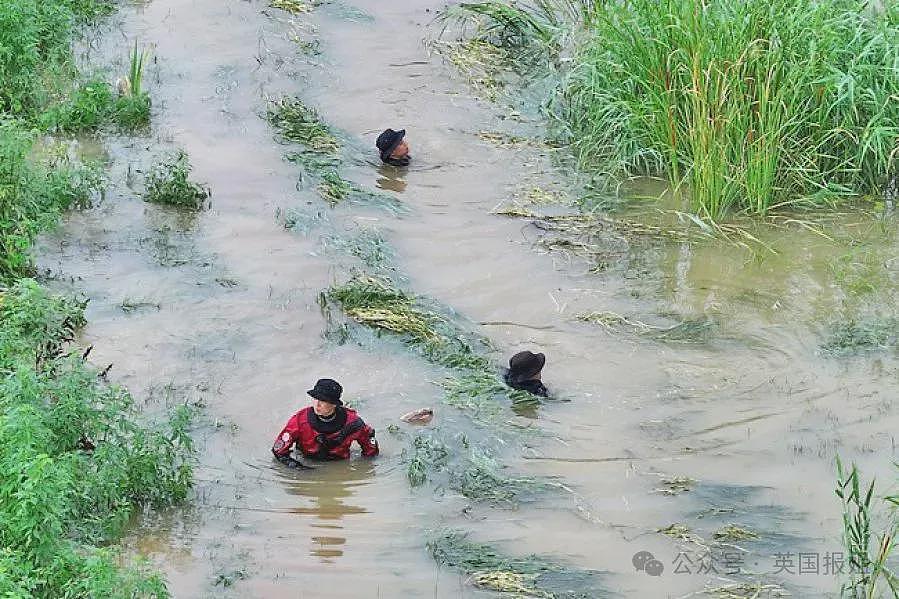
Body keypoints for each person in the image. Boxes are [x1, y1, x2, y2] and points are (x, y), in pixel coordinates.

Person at [272, 378, 378, 468]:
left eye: (323, 400)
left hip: (339, 464)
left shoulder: (353, 423)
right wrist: (298, 468)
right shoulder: (299, 421)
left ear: (334, 404)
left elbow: (371, 451)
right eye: (315, 398)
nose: (317, 404)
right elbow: (279, 451)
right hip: (307, 460)